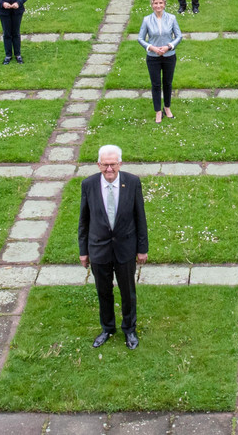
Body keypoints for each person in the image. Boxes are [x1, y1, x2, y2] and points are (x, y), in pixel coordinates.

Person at [79, 145, 148, 351]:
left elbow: (140, 218)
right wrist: (83, 251)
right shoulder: (88, 184)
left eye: (113, 164)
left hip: (125, 248)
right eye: (105, 165)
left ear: (120, 164)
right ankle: (107, 328)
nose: (109, 169)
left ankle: (129, 329)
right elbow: (84, 220)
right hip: (99, 249)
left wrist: (142, 248)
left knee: (128, 292)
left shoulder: (132, 182)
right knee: (103, 291)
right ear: (99, 165)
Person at [138, 0, 182, 124]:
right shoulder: (147, 20)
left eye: (160, 3)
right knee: (156, 84)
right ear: (152, 5)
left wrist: (169, 46)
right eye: (155, 3)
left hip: (169, 56)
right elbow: (140, 38)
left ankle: (167, 108)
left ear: (165, 4)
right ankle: (158, 111)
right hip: (153, 57)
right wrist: (152, 48)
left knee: (168, 83)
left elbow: (179, 36)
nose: (158, 5)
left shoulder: (172, 18)